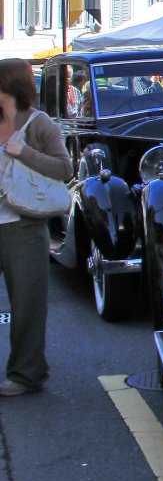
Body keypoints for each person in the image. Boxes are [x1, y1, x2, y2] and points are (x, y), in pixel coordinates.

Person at [0, 58, 74, 397]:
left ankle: (26, 375)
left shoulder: (39, 123)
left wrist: (23, 152)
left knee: (27, 304)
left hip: (24, 227)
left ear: (10, 85)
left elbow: (63, 169)